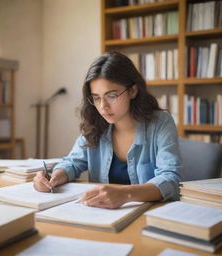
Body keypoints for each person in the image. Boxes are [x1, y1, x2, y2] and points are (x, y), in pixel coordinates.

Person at [33, 51, 182, 209]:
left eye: (111, 95)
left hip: (150, 215)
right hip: (103, 216)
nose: (103, 106)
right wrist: (54, 177)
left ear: (132, 91)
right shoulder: (95, 125)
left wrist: (125, 194)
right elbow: (72, 163)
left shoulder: (160, 123)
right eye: (96, 98)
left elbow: (170, 179)